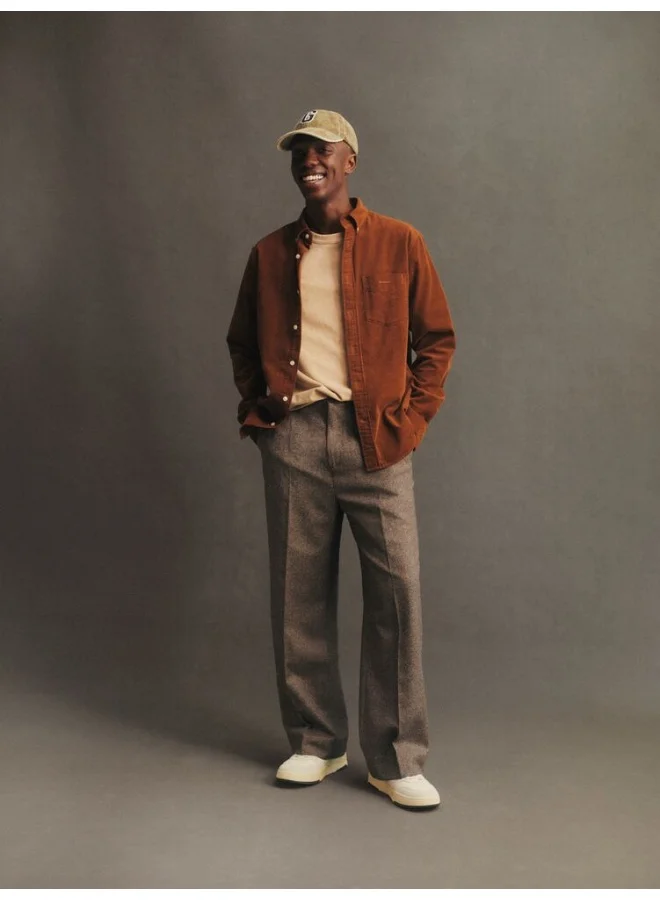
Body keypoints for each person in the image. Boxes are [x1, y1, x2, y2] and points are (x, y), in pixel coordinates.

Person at [226, 110, 456, 811]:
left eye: (322, 150)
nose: (309, 162)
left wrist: (410, 421)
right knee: (298, 595)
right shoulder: (269, 253)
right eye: (299, 152)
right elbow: (241, 342)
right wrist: (265, 417)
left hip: (376, 439)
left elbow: (436, 340)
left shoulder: (399, 242)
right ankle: (316, 741)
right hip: (294, 436)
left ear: (349, 159)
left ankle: (395, 758)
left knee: (397, 595)